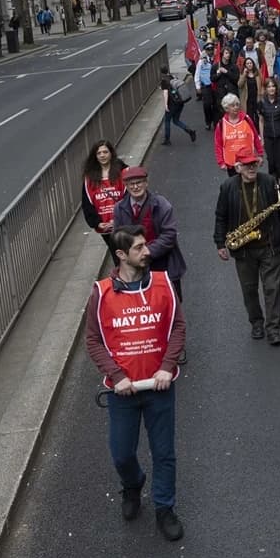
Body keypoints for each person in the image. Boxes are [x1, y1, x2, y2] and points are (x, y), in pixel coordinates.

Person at [84, 226, 186, 541]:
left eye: (146, 246)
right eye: (139, 248)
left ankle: (164, 508)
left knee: (164, 453)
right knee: (121, 454)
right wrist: (117, 376)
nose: (147, 252)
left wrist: (167, 368)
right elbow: (93, 340)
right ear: (121, 254)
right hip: (123, 392)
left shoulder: (163, 284)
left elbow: (178, 327)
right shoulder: (101, 293)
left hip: (159, 388)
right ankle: (132, 484)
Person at [214, 148, 280, 344]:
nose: (252, 168)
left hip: (268, 245)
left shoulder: (268, 182)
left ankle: (273, 329)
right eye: (247, 165)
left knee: (272, 288)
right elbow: (221, 217)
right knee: (249, 289)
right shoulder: (228, 187)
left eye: (254, 164)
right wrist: (220, 243)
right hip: (243, 250)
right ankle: (256, 323)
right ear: (238, 167)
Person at [112, 166, 188, 301]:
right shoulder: (119, 208)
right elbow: (117, 237)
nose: (135, 187)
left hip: (163, 265)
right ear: (126, 186)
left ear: (146, 183)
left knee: (168, 304)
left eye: (139, 182)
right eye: (131, 184)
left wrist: (146, 252)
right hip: (134, 268)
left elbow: (169, 235)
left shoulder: (161, 204)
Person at [81, 139, 128, 255]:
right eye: (99, 153)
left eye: (105, 152)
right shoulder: (89, 178)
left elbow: (128, 198)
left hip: (123, 224)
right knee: (117, 255)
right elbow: (87, 203)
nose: (102, 155)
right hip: (105, 227)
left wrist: (117, 219)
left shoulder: (123, 172)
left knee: (129, 254)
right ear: (95, 156)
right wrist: (97, 223)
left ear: (111, 153)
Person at [213, 94, 264, 178]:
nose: (236, 107)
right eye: (232, 106)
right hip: (232, 163)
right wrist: (221, 162)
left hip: (248, 161)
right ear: (226, 108)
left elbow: (255, 137)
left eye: (237, 104)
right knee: (236, 187)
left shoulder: (247, 119)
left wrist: (260, 154)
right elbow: (218, 144)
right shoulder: (221, 124)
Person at [256, 78, 280, 183]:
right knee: (271, 161)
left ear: (276, 88)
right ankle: (274, 186)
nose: (271, 89)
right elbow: (261, 121)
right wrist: (262, 139)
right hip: (268, 136)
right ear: (265, 89)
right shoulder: (261, 103)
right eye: (269, 87)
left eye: (273, 86)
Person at [159, 70, 197, 147]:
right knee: (176, 120)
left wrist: (166, 105)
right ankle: (189, 131)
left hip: (172, 104)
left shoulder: (164, 81)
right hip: (180, 102)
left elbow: (165, 93)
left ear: (161, 73)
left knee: (167, 121)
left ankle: (167, 139)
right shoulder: (173, 77)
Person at [237, 56, 262, 123]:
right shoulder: (243, 74)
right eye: (247, 63)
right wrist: (244, 75)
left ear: (253, 64)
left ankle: (258, 131)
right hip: (247, 99)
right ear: (245, 65)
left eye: (250, 63)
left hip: (256, 98)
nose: (249, 65)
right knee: (249, 116)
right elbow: (239, 85)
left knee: (258, 116)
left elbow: (261, 85)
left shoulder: (257, 74)